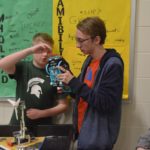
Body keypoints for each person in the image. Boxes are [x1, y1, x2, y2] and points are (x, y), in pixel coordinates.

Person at [57, 16, 124, 150]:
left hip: (97, 141)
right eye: (77, 40)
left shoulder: (113, 65)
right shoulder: (89, 61)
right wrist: (69, 88)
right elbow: (85, 94)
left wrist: (74, 82)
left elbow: (105, 103)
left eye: (81, 40)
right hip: (82, 134)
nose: (77, 45)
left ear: (97, 40)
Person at [0, 33, 68, 127]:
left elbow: (63, 105)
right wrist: (30, 50)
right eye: (40, 50)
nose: (44, 54)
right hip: (18, 126)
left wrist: (41, 113)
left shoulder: (56, 73)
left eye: (48, 51)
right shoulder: (23, 67)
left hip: (44, 128)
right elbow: (3, 64)